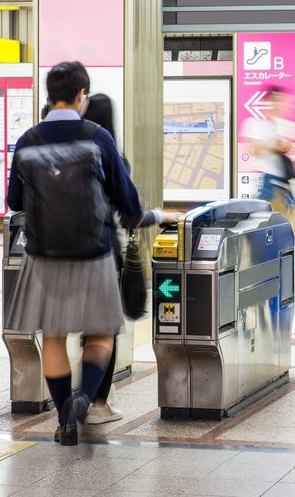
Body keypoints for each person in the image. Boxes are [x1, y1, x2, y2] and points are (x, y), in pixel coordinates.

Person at [5, 61, 144, 445]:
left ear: (51, 95)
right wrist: (139, 215)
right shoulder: (97, 135)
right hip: (93, 252)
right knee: (100, 334)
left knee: (53, 337)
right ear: (82, 95)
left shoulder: (28, 140)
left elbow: (14, 201)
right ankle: (85, 398)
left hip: (44, 253)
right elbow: (125, 197)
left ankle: (65, 418)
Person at [79, 91, 180, 425]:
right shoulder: (111, 154)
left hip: (61, 254)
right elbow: (130, 215)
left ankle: (73, 402)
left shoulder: (66, 153)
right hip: (102, 253)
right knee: (103, 330)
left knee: (79, 331)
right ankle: (97, 404)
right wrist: (161, 216)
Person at [242, 86, 295, 215]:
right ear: (269, 102)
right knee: (266, 216)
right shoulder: (255, 124)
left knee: (288, 215)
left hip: (285, 179)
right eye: (278, 100)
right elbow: (254, 149)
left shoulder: (289, 126)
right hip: (268, 176)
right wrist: (275, 146)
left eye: (284, 101)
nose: (282, 105)